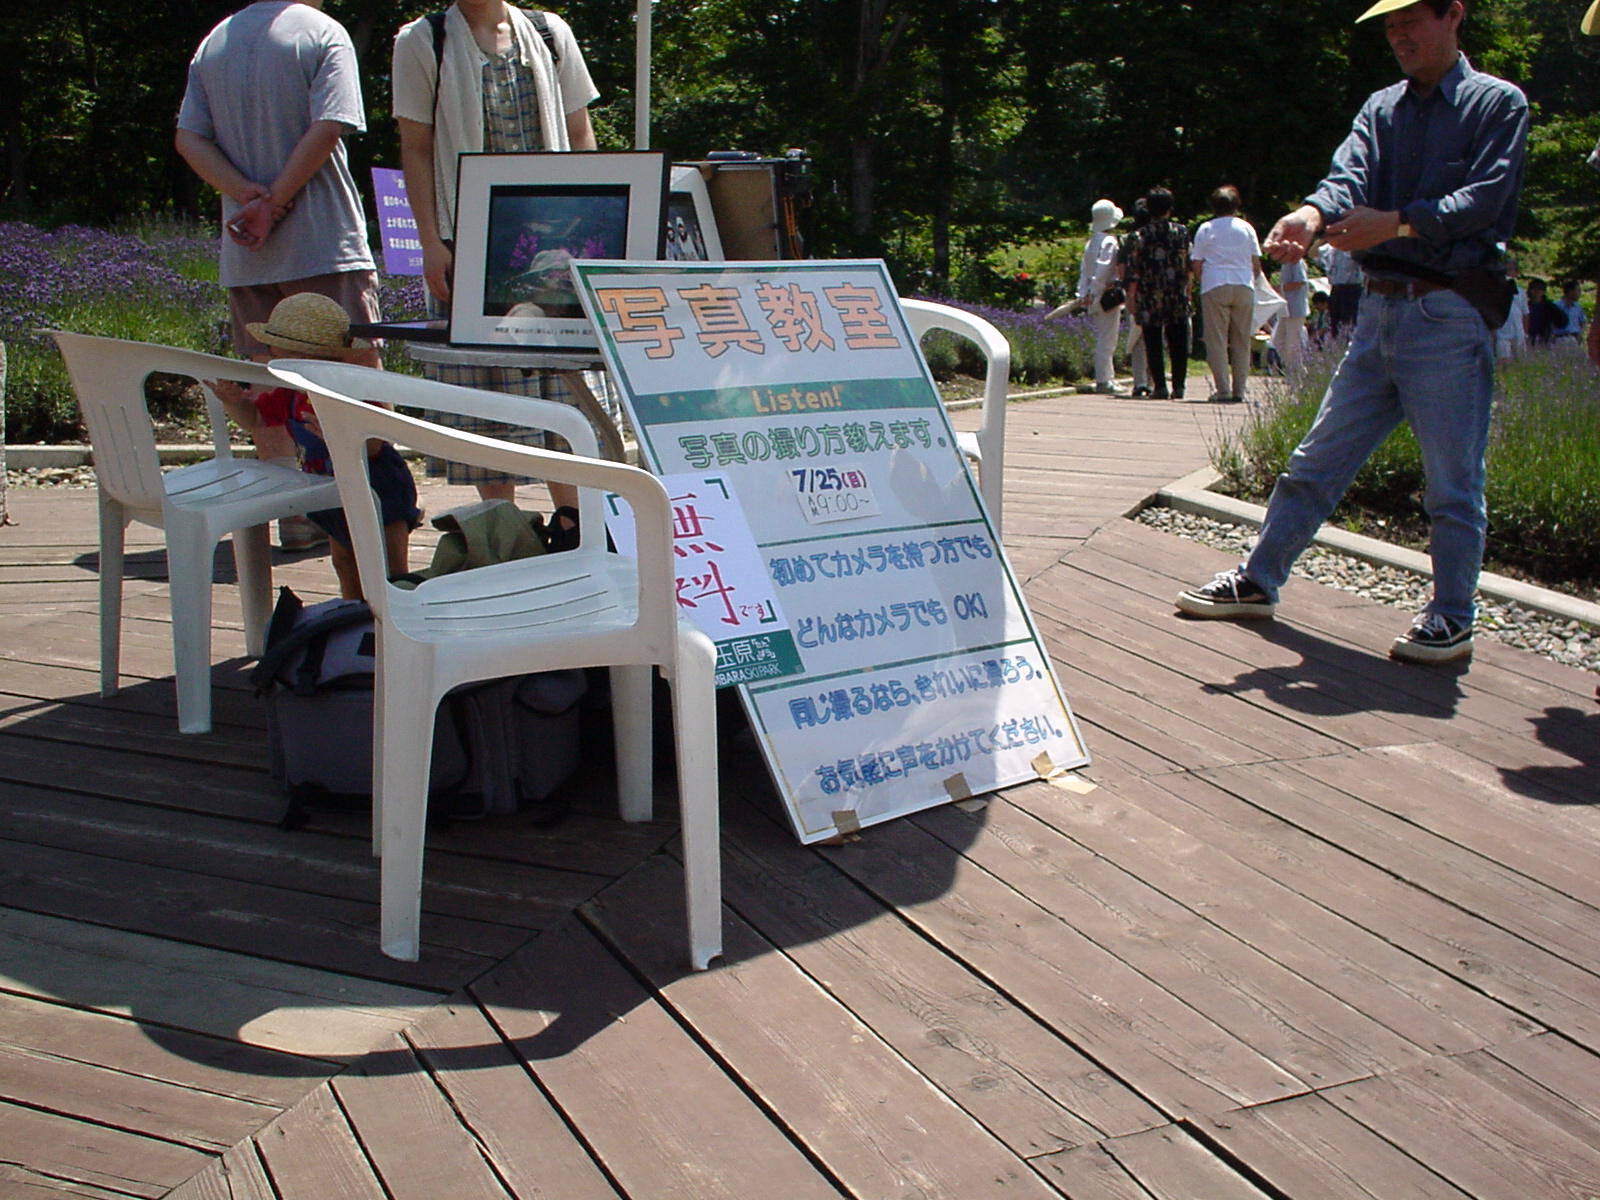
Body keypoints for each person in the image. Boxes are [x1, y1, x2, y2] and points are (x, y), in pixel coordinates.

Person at [1175, 0, 1528, 666]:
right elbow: (1348, 177)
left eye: (1410, 21)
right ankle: (1259, 579)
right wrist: (1310, 215)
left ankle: (1453, 616)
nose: (1398, 36)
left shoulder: (1497, 103)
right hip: (1378, 310)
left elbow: (1486, 198)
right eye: (1390, 27)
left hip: (1449, 312)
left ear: (1454, 15)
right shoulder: (1382, 107)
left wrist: (1396, 224)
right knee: (1314, 461)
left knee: (1452, 482)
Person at [175, 0, 382, 550]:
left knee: (267, 380)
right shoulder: (321, 33)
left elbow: (188, 138)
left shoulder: (215, 41)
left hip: (247, 248)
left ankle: (290, 512)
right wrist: (278, 201)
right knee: (358, 372)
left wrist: (247, 196)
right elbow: (330, 125)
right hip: (321, 240)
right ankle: (368, 501)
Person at [392, 0, 600, 511]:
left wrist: (597, 221)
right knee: (483, 397)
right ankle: (502, 526)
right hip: (469, 237)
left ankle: (574, 521)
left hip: (556, 241)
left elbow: (579, 133)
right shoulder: (423, 39)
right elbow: (415, 147)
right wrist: (430, 242)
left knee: (563, 388)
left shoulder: (548, 32)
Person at [206, 294, 420, 600]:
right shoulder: (290, 395)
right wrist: (235, 404)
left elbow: (375, 445)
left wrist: (341, 433)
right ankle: (352, 615)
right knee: (344, 561)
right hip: (332, 490)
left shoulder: (350, 393)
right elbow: (255, 419)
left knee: (388, 569)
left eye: (277, 353)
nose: (271, 360)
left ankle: (394, 614)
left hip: (378, 488)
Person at [1191, 185, 1265, 402]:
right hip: (1243, 283)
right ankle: (1240, 390)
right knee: (1242, 340)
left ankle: (1223, 389)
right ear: (1236, 205)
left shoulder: (1206, 229)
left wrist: (1203, 280)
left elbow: (1197, 263)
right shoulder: (1247, 228)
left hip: (1215, 283)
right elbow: (1256, 264)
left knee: (1217, 340)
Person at [1125, 186, 1192, 400]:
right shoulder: (1181, 232)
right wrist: (1189, 290)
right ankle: (1179, 385)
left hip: (1149, 294)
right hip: (1176, 292)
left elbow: (1133, 271)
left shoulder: (1138, 236)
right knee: (1178, 340)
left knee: (1152, 341)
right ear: (1170, 208)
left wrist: (1131, 298)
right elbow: (1188, 264)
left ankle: (1160, 386)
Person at [1078, 198, 1126, 394]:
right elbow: (1103, 270)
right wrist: (1095, 293)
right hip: (1106, 294)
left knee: (1103, 337)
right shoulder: (1109, 242)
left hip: (1094, 294)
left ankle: (1107, 377)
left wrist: (1084, 293)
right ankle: (1104, 380)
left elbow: (1085, 271)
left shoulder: (1091, 242)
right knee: (1107, 339)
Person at [1118, 201, 1153, 396]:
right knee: (1156, 338)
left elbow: (1122, 268)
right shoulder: (1161, 236)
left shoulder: (1128, 239)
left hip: (1135, 294)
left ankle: (1140, 382)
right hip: (1159, 293)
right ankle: (1153, 380)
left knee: (1137, 339)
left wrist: (1127, 291)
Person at [1317, 243, 1365, 337]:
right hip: (1336, 289)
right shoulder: (1331, 247)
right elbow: (1312, 253)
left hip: (1352, 288)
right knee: (1335, 325)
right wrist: (1323, 237)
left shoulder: (1355, 244)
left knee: (1349, 323)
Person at [1275, 254, 1310, 375]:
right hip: (1286, 309)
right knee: (1278, 340)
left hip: (1296, 309)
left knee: (1292, 343)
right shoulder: (1285, 263)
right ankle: (1295, 369)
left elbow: (1299, 282)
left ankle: (1296, 372)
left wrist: (1279, 288)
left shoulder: (1295, 261)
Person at [1494, 256, 1528, 360]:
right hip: (1502, 334)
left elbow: (1525, 313)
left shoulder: (1521, 292)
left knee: (1520, 361)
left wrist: (1525, 333)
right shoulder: (1495, 291)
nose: (1507, 274)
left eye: (1510, 270)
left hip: (1518, 332)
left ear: (1516, 273)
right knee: (1503, 361)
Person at [1524, 278, 1567, 346]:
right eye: (1529, 289)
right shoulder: (1524, 305)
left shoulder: (1549, 307)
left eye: (1533, 289)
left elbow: (1563, 321)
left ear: (1542, 291)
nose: (1530, 291)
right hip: (1527, 339)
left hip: (1543, 340)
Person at [1553, 280, 1587, 346]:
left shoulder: (1578, 307)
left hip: (1574, 338)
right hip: (1559, 338)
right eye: (1578, 290)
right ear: (1570, 291)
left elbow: (1583, 321)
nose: (1580, 293)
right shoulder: (1556, 306)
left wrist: (1581, 333)